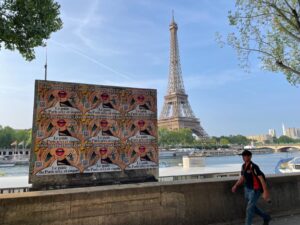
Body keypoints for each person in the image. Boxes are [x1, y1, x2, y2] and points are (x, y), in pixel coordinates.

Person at [232, 150, 271, 225]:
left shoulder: (254, 166)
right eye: (243, 156)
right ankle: (266, 217)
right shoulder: (243, 166)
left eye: (246, 155)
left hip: (255, 190)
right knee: (252, 207)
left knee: (249, 209)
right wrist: (236, 185)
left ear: (250, 156)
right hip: (247, 189)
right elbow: (242, 177)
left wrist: (265, 192)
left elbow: (261, 179)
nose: (244, 157)